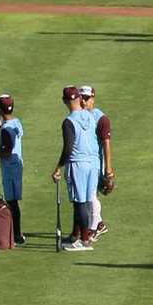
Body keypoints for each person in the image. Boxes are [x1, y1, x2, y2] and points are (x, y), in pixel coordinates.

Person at [52, 86, 99, 251]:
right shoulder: (91, 116)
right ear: (79, 98)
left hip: (78, 164)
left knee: (79, 202)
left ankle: (84, 240)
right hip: (93, 163)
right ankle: (77, 236)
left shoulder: (68, 121)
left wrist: (58, 167)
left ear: (65, 101)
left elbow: (68, 148)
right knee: (85, 201)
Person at [0, 94, 25, 245]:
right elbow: (6, 142)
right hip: (17, 165)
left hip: (9, 168)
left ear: (0, 109)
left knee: (12, 202)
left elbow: (6, 152)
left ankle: (16, 235)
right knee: (13, 201)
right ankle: (16, 234)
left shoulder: (6, 129)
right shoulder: (17, 123)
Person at [79, 85, 112, 241]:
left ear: (93, 98)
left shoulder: (101, 118)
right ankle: (98, 224)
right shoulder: (79, 115)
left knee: (91, 195)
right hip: (86, 162)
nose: (84, 102)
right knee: (87, 195)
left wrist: (109, 171)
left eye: (86, 98)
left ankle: (93, 228)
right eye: (81, 98)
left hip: (97, 162)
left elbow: (106, 144)